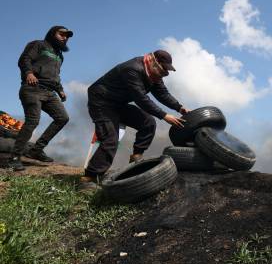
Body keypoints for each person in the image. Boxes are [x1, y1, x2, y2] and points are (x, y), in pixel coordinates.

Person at [80, 50, 188, 189]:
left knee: (148, 123)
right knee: (110, 139)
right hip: (101, 103)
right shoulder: (132, 69)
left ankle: (136, 157)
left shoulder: (154, 75)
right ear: (154, 62)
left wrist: (180, 108)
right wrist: (164, 115)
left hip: (118, 104)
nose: (164, 73)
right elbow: (140, 98)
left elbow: (162, 94)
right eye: (164, 68)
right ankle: (89, 177)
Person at [8, 26, 73, 171]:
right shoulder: (38, 44)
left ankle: (36, 150)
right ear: (52, 34)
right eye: (61, 34)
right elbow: (24, 59)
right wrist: (28, 73)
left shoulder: (59, 55)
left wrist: (60, 90)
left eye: (67, 35)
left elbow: (55, 76)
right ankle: (14, 157)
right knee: (33, 121)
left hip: (50, 92)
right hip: (32, 88)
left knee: (62, 118)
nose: (65, 37)